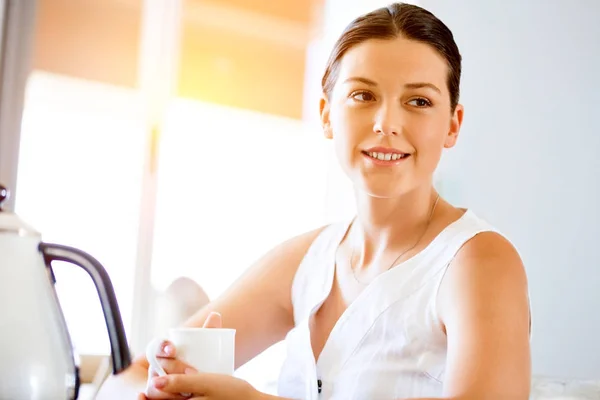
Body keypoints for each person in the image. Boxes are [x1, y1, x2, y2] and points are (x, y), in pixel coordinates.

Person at [98, 3, 531, 399]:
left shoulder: (478, 263)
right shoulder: (307, 260)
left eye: (418, 101)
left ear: (452, 125)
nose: (386, 123)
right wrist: (163, 386)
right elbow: (133, 375)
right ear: (327, 114)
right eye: (363, 95)